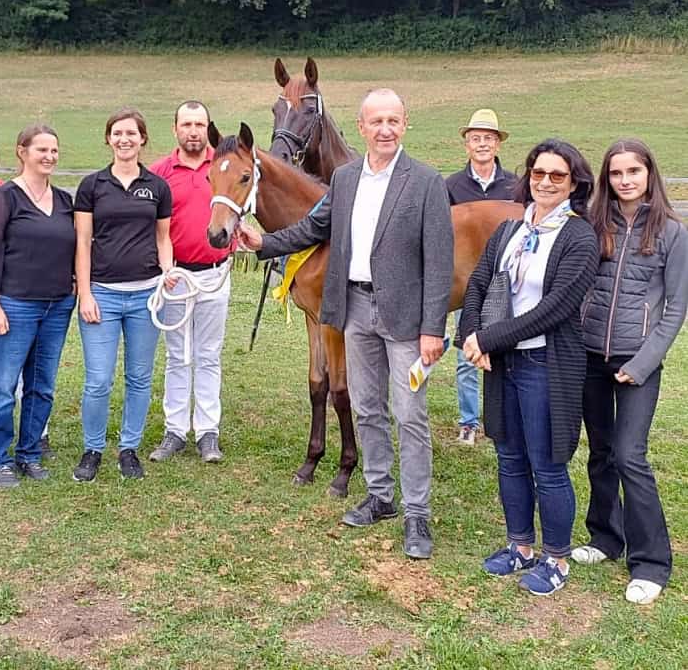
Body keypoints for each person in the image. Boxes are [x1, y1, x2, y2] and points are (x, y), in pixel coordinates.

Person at [238, 88, 453, 559]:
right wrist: (264, 244)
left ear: (405, 124)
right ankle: (380, 495)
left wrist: (433, 328)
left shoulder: (426, 182)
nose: (385, 129)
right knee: (367, 406)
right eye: (376, 121)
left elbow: (439, 263)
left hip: (405, 316)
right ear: (361, 127)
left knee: (410, 413)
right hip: (353, 308)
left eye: (393, 120)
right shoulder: (346, 178)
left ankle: (416, 512)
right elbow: (314, 228)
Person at [460, 138, 599, 596]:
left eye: (557, 175)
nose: (545, 182)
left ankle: (556, 558)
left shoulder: (578, 237)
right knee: (509, 457)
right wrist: (470, 337)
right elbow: (480, 283)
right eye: (538, 173)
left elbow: (555, 309)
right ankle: (520, 546)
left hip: (547, 364)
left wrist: (487, 338)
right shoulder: (510, 229)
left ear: (573, 182)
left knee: (548, 464)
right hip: (504, 364)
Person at [574, 139, 687, 605]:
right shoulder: (592, 224)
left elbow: (676, 307)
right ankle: (605, 536)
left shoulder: (672, 233)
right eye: (616, 173)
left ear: (648, 174)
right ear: (607, 178)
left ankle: (652, 561)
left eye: (633, 171)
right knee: (599, 451)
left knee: (629, 455)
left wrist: (641, 364)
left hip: (638, 360)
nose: (625, 180)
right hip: (589, 357)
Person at [73, 108, 173, 482]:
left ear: (143, 139)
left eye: (131, 133)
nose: (124, 139)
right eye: (117, 133)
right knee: (98, 379)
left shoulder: (157, 187)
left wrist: (167, 273)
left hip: (146, 296)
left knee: (139, 377)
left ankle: (129, 448)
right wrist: (85, 293)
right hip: (103, 294)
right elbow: (83, 242)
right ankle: (92, 449)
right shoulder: (92, 185)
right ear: (108, 139)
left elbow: (163, 238)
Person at [0, 125, 76, 488]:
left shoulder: (65, 201)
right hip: (13, 305)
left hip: (57, 305)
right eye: (41, 150)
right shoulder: (4, 199)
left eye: (54, 150)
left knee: (42, 385)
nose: (49, 156)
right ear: (22, 152)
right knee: (3, 385)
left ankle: (29, 453)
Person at [148, 100, 232, 464]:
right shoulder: (159, 172)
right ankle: (175, 429)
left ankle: (208, 431)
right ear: (175, 129)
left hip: (215, 274)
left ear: (208, 127)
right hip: (175, 276)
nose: (193, 132)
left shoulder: (222, 165)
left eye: (199, 124)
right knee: (178, 355)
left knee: (209, 354)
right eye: (187, 124)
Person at [445, 109, 517, 446]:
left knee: (507, 352)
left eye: (488, 138)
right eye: (476, 138)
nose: (482, 144)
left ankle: (503, 418)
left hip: (507, 284)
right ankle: (469, 421)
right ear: (467, 144)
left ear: (498, 144)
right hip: (468, 282)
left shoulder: (515, 186)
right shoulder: (452, 186)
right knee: (466, 354)